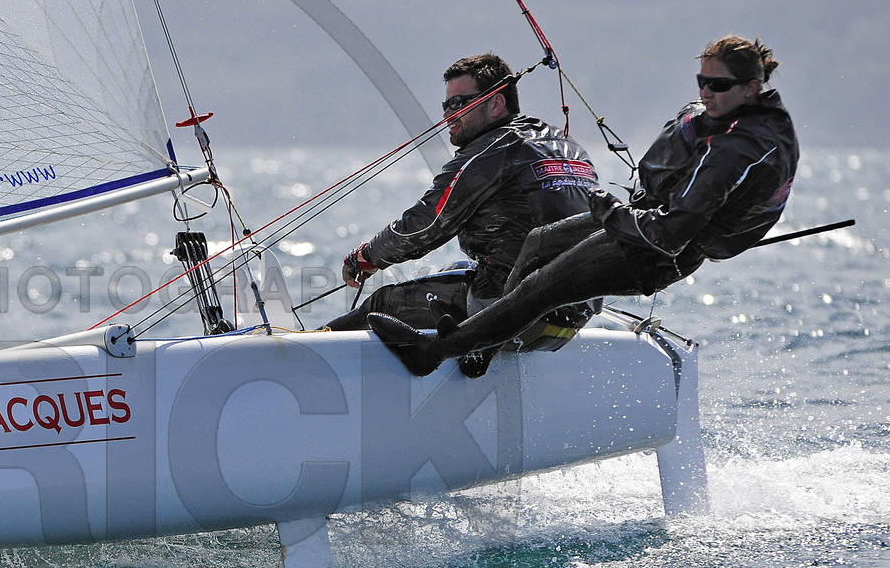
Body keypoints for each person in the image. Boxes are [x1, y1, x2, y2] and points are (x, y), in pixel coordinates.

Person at [370, 35, 799, 376]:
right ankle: (490, 333)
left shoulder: (740, 149)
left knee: (541, 287)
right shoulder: (725, 117)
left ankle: (436, 351)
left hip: (653, 253)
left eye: (718, 85)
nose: (705, 92)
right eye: (701, 82)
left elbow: (670, 235)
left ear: (751, 88)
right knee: (539, 242)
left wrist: (611, 212)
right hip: (639, 223)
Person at [324, 53, 600, 341]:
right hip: (575, 313)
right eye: (445, 105)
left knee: (381, 306)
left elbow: (427, 224)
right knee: (457, 269)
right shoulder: (570, 148)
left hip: (516, 313)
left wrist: (366, 256)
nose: (447, 115)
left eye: (457, 103)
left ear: (495, 103)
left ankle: (315, 346)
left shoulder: (490, 150)